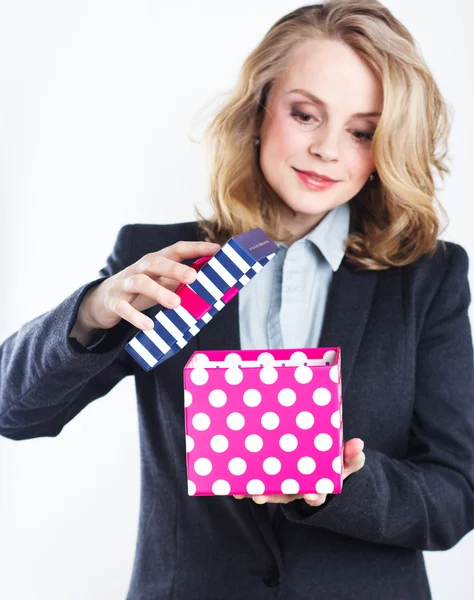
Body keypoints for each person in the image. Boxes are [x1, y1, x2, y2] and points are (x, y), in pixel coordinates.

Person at [1, 0, 473, 598]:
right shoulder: (160, 262)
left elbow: (455, 496)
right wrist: (93, 310)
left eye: (361, 131)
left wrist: (343, 485)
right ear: (259, 110)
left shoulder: (426, 278)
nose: (329, 148)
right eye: (305, 114)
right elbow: (12, 412)